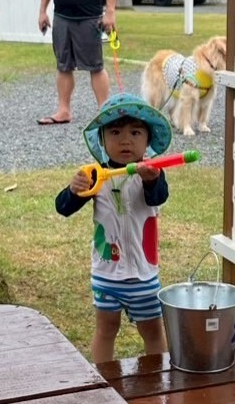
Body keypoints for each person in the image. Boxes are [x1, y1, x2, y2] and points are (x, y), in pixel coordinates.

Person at [55, 93, 172, 363]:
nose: (125, 140)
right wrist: (74, 190)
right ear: (102, 139)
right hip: (106, 274)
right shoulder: (96, 175)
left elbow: (158, 197)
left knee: (153, 331)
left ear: (148, 140)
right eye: (115, 132)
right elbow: (63, 207)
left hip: (144, 275)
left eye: (135, 133)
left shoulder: (152, 172)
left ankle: (158, 379)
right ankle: (102, 378)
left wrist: (151, 180)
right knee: (105, 330)